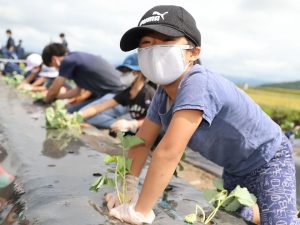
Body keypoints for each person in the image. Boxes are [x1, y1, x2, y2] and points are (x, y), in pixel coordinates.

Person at [105, 5, 300, 225]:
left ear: (194, 52)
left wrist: (140, 211)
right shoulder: (162, 93)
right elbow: (141, 143)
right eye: (146, 44)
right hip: (235, 167)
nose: (154, 51)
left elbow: (169, 151)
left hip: (269, 159)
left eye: (165, 41)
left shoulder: (198, 82)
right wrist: (125, 188)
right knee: (234, 214)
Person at [79, 53, 155, 133]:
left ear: (139, 73)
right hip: (141, 131)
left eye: (128, 71)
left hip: (156, 136)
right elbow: (100, 107)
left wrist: (133, 124)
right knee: (92, 118)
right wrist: (78, 115)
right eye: (124, 71)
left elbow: (155, 119)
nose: (125, 74)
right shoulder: (127, 93)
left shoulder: (148, 94)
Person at [41, 43, 125, 112]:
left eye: (53, 66)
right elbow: (77, 92)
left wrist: (45, 101)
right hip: (107, 94)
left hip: (117, 94)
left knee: (76, 115)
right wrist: (56, 97)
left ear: (54, 59)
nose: (56, 69)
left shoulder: (67, 61)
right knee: (70, 110)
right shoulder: (76, 60)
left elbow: (54, 89)